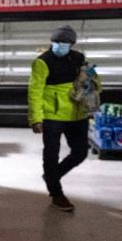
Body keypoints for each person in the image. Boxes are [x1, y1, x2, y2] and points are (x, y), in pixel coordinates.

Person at [28, 25, 98, 211]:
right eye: (56, 41)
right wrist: (36, 118)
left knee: (80, 152)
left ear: (72, 44)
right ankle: (56, 193)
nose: (59, 45)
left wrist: (91, 79)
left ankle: (52, 176)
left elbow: (92, 81)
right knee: (51, 153)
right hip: (52, 114)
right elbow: (35, 90)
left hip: (77, 113)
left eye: (64, 42)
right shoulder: (42, 62)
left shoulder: (79, 58)